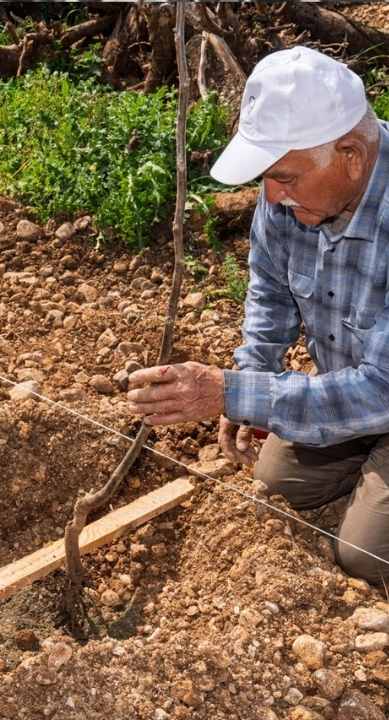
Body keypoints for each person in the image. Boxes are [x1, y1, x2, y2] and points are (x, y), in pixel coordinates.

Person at [125, 46, 389, 582]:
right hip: (353, 384)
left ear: (352, 155)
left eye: (285, 177)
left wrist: (231, 391)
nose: (270, 197)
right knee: (277, 481)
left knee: (364, 555)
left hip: (380, 388)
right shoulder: (294, 195)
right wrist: (251, 376)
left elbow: (382, 389)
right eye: (266, 176)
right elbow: (271, 289)